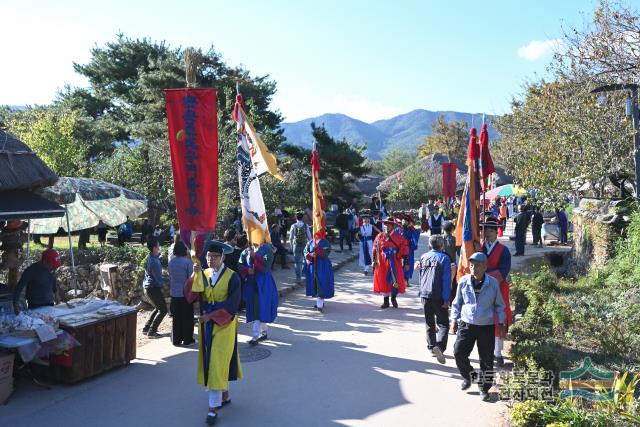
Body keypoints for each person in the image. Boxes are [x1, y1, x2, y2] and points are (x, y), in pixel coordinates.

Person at [185, 240, 243, 425]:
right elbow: (190, 295)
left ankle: (212, 408)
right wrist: (195, 275)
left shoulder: (232, 277)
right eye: (208, 256)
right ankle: (224, 394)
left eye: (214, 256)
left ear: (223, 257)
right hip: (207, 324)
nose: (210, 259)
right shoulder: (204, 273)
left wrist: (210, 316)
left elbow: (233, 306)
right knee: (211, 360)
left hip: (224, 323)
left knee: (217, 361)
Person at [451, 252, 506, 402]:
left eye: (478, 265)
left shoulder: (493, 283)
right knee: (458, 352)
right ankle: (469, 376)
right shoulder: (463, 281)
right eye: (472, 265)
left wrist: (501, 322)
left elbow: (500, 305)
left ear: (485, 267)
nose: (474, 268)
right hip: (466, 324)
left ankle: (484, 388)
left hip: (486, 326)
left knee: (487, 360)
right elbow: (457, 302)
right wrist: (453, 320)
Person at [481, 217, 513, 367]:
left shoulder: (503, 250)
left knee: (498, 320)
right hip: (481, 289)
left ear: (496, 232)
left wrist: (484, 276)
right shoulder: (479, 247)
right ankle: (486, 350)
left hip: (498, 288)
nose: (487, 233)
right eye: (485, 230)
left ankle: (498, 353)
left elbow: (503, 271)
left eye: (491, 230)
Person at [416, 235, 451, 365]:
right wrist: (446, 298)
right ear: (442, 245)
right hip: (438, 294)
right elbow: (446, 280)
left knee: (429, 322)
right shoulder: (444, 258)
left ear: (430, 245)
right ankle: (440, 346)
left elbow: (421, 275)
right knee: (443, 323)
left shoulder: (424, 257)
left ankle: (431, 347)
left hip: (424, 293)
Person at [239, 242, 279, 345]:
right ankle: (264, 332)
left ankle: (255, 336)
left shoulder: (267, 249)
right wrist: (247, 270)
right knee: (257, 309)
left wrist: (255, 256)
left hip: (263, 284)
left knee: (259, 308)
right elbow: (239, 264)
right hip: (251, 284)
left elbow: (266, 266)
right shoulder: (246, 250)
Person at [372, 218, 409, 309]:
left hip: (395, 261)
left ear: (392, 226)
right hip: (382, 262)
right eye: (385, 224)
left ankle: (393, 298)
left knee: (395, 279)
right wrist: (374, 260)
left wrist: (406, 262)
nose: (386, 226)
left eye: (388, 224)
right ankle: (386, 301)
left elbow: (404, 249)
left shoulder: (399, 236)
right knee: (384, 280)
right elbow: (375, 248)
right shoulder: (380, 236)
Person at [168, 240, 194, 346]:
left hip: (174, 293)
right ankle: (187, 339)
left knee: (176, 318)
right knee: (187, 317)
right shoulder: (187, 262)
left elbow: (170, 276)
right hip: (185, 294)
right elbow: (190, 279)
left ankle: (176, 339)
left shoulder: (171, 262)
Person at [142, 237, 169, 337]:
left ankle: (146, 328)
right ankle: (152, 331)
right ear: (154, 248)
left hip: (148, 287)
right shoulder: (154, 262)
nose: (159, 247)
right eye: (158, 245)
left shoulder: (150, 257)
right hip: (153, 288)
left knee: (158, 308)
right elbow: (159, 280)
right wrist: (170, 280)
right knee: (163, 310)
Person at [304, 237, 334, 312]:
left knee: (321, 283)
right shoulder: (310, 242)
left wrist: (318, 249)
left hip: (322, 266)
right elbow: (305, 251)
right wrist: (310, 255)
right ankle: (320, 302)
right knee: (315, 284)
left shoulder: (325, 242)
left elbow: (326, 253)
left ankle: (319, 305)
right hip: (313, 266)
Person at [288, 212, 312, 282]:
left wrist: (291, 246)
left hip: (296, 245)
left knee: (297, 262)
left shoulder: (293, 226)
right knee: (306, 260)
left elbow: (291, 237)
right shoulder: (305, 225)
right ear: (302, 218)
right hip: (304, 245)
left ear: (296, 218)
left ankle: (298, 277)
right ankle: (303, 272)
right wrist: (310, 245)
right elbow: (309, 237)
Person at [400, 214, 420, 283]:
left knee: (409, 263)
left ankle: (406, 279)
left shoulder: (411, 230)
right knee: (399, 263)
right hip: (399, 249)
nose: (403, 223)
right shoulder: (398, 229)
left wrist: (412, 228)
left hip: (408, 248)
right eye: (402, 221)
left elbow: (415, 237)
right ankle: (400, 278)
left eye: (405, 221)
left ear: (408, 223)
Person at [442, 221, 458, 304]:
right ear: (452, 230)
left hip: (441, 263)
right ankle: (452, 301)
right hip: (452, 264)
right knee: (453, 283)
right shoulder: (455, 239)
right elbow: (459, 252)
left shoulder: (439, 239)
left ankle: (442, 299)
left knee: (441, 281)